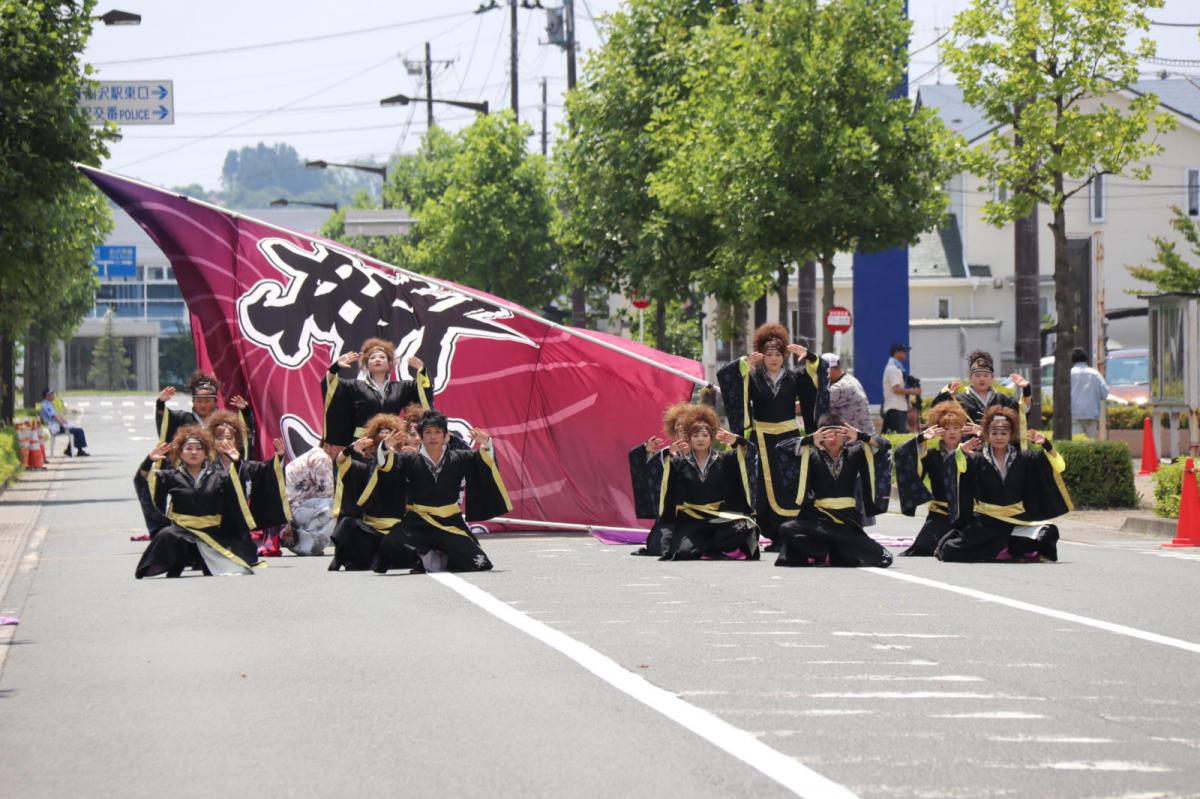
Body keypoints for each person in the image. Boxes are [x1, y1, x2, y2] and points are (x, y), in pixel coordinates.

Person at [717, 323, 826, 549]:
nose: (774, 359)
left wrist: (811, 357)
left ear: (785, 355)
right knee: (760, 487)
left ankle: (785, 534)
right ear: (762, 356)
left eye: (778, 354)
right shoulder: (754, 378)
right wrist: (745, 364)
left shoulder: (795, 378)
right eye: (769, 354)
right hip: (761, 438)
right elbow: (727, 376)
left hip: (789, 438)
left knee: (789, 484)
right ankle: (755, 533)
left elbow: (820, 375)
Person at [372, 410, 510, 573]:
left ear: (446, 436)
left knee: (479, 563)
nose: (433, 437)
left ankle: (434, 558)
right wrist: (385, 448)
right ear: (421, 437)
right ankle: (425, 557)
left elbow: (484, 464)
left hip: (450, 521)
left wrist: (487, 444)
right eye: (428, 432)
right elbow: (387, 467)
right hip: (419, 520)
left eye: (438, 432)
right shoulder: (409, 459)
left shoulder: (460, 457)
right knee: (390, 543)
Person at [935, 406, 1071, 563]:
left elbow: (1059, 466)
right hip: (986, 521)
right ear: (987, 434)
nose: (999, 437)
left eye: (1003, 433)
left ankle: (1002, 549)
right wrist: (960, 452)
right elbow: (952, 470)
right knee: (949, 550)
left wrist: (1047, 445)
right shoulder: (977, 459)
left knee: (1048, 532)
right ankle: (1007, 550)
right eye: (994, 433)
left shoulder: (1025, 459)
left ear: (1011, 435)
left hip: (1016, 519)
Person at [133, 426, 259, 578]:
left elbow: (239, 489)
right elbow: (144, 481)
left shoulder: (220, 476)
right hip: (183, 530)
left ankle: (205, 560)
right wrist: (149, 461)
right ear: (180, 453)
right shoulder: (171, 477)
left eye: (198, 448)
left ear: (206, 453)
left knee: (234, 569)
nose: (194, 452)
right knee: (167, 534)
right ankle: (178, 561)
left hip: (214, 531)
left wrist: (238, 462)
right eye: (189, 448)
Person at [772, 414, 894, 568]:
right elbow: (780, 448)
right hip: (819, 519)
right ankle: (822, 553)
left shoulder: (856, 453)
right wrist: (808, 439)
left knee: (882, 557)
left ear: (845, 436)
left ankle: (834, 550)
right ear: (820, 436)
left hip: (847, 521)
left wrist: (861, 436)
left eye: (838, 433)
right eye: (828, 433)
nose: (833, 437)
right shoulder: (810, 454)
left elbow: (886, 445)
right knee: (787, 528)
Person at [656, 406, 759, 561]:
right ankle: (705, 544)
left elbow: (750, 455)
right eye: (695, 435)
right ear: (689, 438)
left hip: (719, 516)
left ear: (711, 438)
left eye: (704, 435)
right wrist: (667, 453)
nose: (700, 439)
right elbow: (660, 473)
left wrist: (738, 441)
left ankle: (710, 545)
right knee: (684, 553)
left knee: (744, 526)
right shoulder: (678, 462)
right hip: (691, 519)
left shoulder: (724, 459)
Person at [328, 415, 413, 572]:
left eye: (390, 431)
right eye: (382, 431)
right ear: (373, 439)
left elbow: (388, 463)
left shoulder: (405, 460)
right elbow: (341, 462)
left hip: (397, 529)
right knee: (348, 525)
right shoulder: (365, 467)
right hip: (371, 529)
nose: (386, 434)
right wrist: (351, 449)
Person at [894, 400, 974, 556]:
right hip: (940, 514)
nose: (951, 432)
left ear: (962, 431)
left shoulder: (972, 453)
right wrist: (921, 438)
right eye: (946, 428)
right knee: (924, 547)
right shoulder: (931, 455)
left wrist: (983, 433)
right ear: (939, 431)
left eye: (956, 428)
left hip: (967, 514)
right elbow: (901, 453)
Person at [207, 411, 292, 558]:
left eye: (229, 437)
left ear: (236, 441)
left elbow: (266, 471)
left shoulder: (246, 466)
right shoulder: (206, 467)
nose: (224, 441)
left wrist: (278, 457)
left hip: (237, 524)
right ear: (212, 441)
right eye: (219, 438)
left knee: (247, 553)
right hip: (212, 522)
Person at [321, 338, 432, 450]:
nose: (377, 359)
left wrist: (422, 371)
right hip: (363, 442)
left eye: (382, 357)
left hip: (392, 442)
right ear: (366, 365)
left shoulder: (401, 388)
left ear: (389, 364)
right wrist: (335, 367)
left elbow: (423, 390)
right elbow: (331, 387)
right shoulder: (354, 386)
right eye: (372, 357)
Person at [628, 402, 694, 557]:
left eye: (686, 429)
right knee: (659, 547)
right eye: (678, 429)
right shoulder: (664, 455)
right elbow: (647, 472)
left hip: (701, 516)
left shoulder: (708, 455)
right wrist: (647, 452)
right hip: (672, 517)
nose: (681, 434)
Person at [931, 350, 1030, 426]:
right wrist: (946, 395)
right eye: (977, 375)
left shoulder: (1002, 399)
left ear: (992, 378)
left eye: (986, 375)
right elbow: (936, 413)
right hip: (969, 448)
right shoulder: (960, 400)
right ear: (970, 378)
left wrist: (1026, 389)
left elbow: (1022, 411)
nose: (982, 379)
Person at [823, 355, 872, 434]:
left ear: (830, 369)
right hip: (861, 438)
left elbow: (814, 405)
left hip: (856, 442)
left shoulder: (840, 387)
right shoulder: (850, 379)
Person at [1070, 347, 1109, 438]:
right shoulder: (1095, 374)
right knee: (1090, 443)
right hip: (1092, 413)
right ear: (1086, 359)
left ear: (1072, 360)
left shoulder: (1070, 373)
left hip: (1074, 413)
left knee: (1076, 442)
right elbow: (1105, 393)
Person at [881, 344, 920, 434]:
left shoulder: (897, 368)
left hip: (898, 407)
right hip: (895, 408)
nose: (906, 354)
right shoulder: (892, 369)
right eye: (904, 351)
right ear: (897, 353)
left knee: (899, 434)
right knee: (897, 435)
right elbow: (896, 389)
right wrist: (914, 391)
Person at [39, 389, 88, 457]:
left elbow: (57, 416)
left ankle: (69, 450)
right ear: (47, 396)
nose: (54, 395)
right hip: (55, 428)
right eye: (52, 394)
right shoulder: (46, 405)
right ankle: (78, 451)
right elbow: (54, 417)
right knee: (79, 431)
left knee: (75, 430)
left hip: (56, 426)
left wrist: (65, 422)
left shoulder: (49, 403)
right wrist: (64, 424)